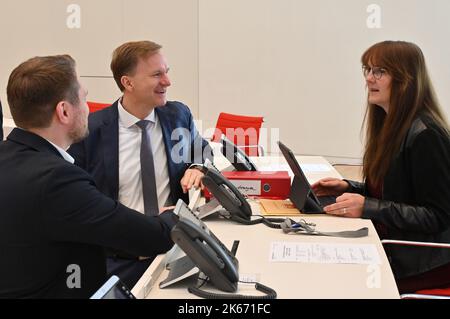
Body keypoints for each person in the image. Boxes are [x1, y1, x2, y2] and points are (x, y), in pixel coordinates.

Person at [0, 55, 178, 298]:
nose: (88, 107)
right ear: (63, 111)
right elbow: (147, 236)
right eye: (84, 98)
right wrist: (176, 218)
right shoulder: (58, 180)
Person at [68, 40, 212, 287]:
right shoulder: (90, 131)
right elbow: (78, 202)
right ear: (128, 82)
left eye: (167, 72)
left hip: (176, 252)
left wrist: (198, 168)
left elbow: (201, 151)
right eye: (157, 74)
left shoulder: (178, 116)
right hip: (118, 262)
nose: (167, 81)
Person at [312, 41, 450, 294]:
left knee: (334, 282)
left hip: (422, 261)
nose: (368, 79)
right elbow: (401, 192)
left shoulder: (427, 135)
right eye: (367, 69)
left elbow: (438, 216)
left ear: (406, 80)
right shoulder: (392, 126)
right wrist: (350, 186)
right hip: (395, 246)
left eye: (379, 72)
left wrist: (368, 206)